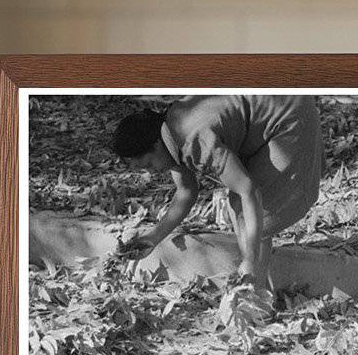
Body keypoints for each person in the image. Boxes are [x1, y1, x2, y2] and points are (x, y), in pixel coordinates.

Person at [111, 95, 324, 284]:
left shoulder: (194, 139)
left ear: (157, 144)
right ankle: (255, 285)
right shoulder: (170, 131)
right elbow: (186, 191)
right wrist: (153, 238)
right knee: (242, 209)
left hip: (289, 114)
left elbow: (248, 191)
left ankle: (255, 290)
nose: (152, 172)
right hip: (275, 107)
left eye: (148, 164)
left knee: (247, 209)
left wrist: (249, 260)